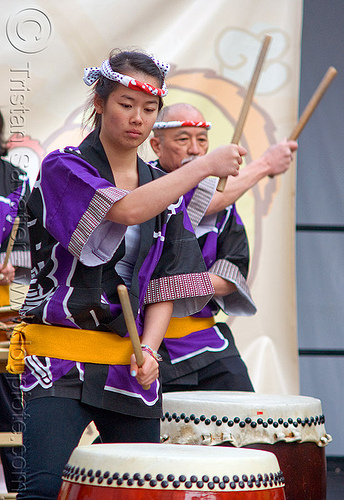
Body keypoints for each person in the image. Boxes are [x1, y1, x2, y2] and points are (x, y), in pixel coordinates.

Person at [6, 50, 243, 500]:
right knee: (43, 488)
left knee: (144, 491)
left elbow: (165, 285)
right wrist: (203, 167)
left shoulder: (161, 187)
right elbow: (123, 209)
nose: (137, 118)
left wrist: (150, 349)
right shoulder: (64, 167)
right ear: (99, 102)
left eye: (149, 109)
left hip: (129, 365)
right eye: (126, 104)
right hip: (61, 358)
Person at [149, 103, 298, 392]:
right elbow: (192, 203)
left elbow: (232, 272)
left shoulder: (225, 207)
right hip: (149, 345)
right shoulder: (145, 188)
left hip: (206, 341)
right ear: (157, 145)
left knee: (247, 423)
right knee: (146, 436)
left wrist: (178, 285)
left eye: (201, 140)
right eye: (183, 139)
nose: (194, 149)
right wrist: (265, 164)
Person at [0, 109, 30, 493]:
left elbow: (28, 245)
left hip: (4, 316)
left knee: (12, 412)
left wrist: (12, 266)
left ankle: (23, 487)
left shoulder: (16, 179)